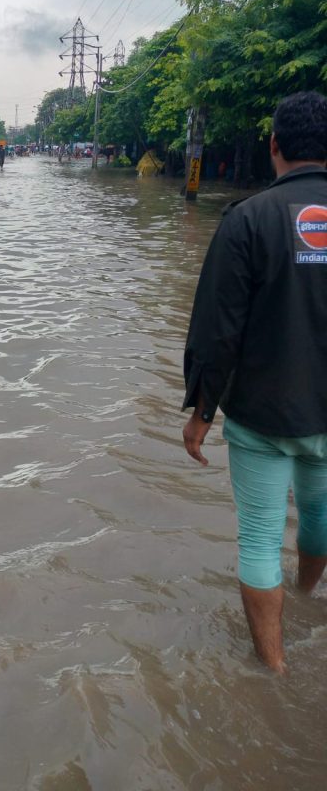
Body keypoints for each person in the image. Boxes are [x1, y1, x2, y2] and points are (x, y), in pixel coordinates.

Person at [182, 90, 327, 673]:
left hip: (261, 415)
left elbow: (218, 331)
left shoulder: (247, 220)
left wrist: (200, 412)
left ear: (273, 146)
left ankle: (273, 670)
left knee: (261, 540)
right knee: (318, 521)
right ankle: (306, 602)